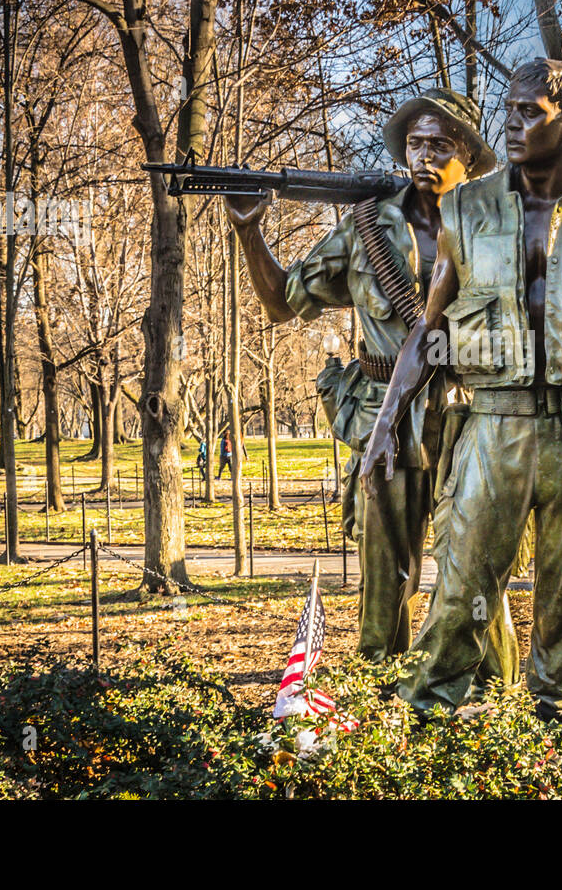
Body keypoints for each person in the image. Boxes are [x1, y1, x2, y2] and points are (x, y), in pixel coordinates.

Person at [362, 59, 562, 723]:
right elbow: (429, 329)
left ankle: (554, 740)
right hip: (495, 427)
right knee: (458, 592)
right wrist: (384, 419)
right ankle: (425, 734)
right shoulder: (467, 208)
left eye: (531, 111)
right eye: (507, 109)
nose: (511, 123)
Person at [225, 89, 519, 681]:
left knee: (478, 564)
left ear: (468, 157)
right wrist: (249, 231)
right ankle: (380, 693)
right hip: (385, 412)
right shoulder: (366, 225)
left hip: (472, 414)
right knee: (386, 570)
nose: (424, 156)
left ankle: (498, 696)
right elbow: (283, 303)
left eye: (440, 144)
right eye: (415, 143)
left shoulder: (495, 226)